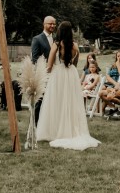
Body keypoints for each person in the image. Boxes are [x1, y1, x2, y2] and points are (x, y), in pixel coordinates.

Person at [35, 21, 100, 150]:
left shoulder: (56, 44)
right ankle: (70, 130)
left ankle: (55, 131)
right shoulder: (75, 46)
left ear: (60, 31)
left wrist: (43, 74)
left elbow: (49, 65)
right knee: (70, 102)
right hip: (71, 75)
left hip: (58, 74)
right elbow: (74, 64)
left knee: (56, 102)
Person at [30, 16, 56, 123]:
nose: (52, 26)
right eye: (50, 24)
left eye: (54, 24)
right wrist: (45, 69)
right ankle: (36, 123)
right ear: (44, 24)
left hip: (55, 73)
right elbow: (35, 59)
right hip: (43, 74)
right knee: (40, 100)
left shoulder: (56, 39)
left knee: (52, 99)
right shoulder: (37, 39)